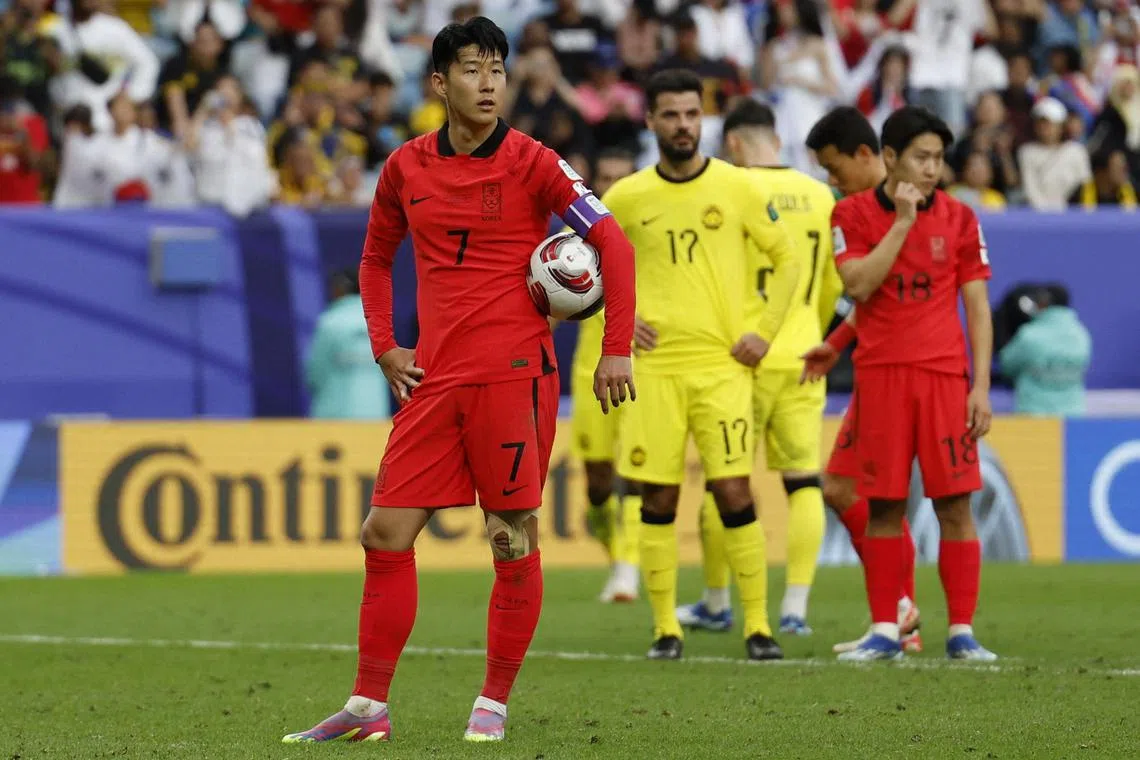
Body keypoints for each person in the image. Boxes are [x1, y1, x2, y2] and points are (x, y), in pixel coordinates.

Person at [282, 17, 637, 745]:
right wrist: (386, 346)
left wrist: (615, 348)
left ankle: (494, 702)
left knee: (510, 537)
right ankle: (367, 707)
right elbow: (376, 260)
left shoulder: (535, 162)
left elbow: (614, 244)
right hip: (434, 380)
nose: (488, 84)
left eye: (498, 71)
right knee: (383, 532)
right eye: (473, 70)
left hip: (515, 377)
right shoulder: (406, 167)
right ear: (439, 82)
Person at [602, 69, 801, 662]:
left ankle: (758, 627)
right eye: (671, 115)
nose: (684, 125)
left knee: (734, 492)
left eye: (692, 114)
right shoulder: (628, 198)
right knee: (657, 499)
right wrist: (613, 316)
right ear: (652, 121)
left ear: (703, 118)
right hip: (655, 372)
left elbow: (787, 261)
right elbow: (577, 268)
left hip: (721, 368)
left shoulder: (737, 186)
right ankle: (666, 627)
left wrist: (763, 334)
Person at [829, 105, 996, 662]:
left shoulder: (961, 218)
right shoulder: (850, 214)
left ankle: (962, 632)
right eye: (921, 158)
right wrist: (901, 222)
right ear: (891, 158)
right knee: (884, 508)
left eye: (939, 159)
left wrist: (981, 386)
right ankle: (885, 629)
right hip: (881, 378)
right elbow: (858, 284)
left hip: (946, 379)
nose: (932, 169)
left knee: (955, 505)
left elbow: (977, 306)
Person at [675, 98, 841, 637]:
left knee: (727, 480)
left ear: (737, 144)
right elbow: (832, 285)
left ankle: (717, 600)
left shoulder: (732, 189)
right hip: (803, 353)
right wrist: (809, 334)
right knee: (803, 482)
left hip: (742, 354)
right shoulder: (821, 195)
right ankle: (794, 606)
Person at [799, 106, 924, 655]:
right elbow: (866, 298)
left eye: (834, 167)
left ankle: (901, 610)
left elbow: (870, 286)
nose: (830, 180)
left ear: (867, 155)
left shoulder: (905, 210)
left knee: (859, 491)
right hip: (876, 364)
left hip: (903, 370)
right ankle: (903, 615)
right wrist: (837, 343)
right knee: (862, 492)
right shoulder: (856, 210)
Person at [567, 147, 642, 604]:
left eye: (622, 177)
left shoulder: (648, 231)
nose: (613, 188)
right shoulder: (571, 239)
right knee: (597, 481)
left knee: (634, 470)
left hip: (639, 367)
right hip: (586, 370)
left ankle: (629, 570)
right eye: (606, 177)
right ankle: (616, 557)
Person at [305, 270, 391, 420]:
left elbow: (314, 373)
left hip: (336, 419)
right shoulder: (381, 323)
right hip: (377, 416)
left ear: (340, 289)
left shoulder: (330, 322)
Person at [999, 288, 1091, 417]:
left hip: (1033, 414)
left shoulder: (1029, 335)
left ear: (1044, 302)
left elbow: (1006, 365)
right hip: (1073, 414)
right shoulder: (1081, 334)